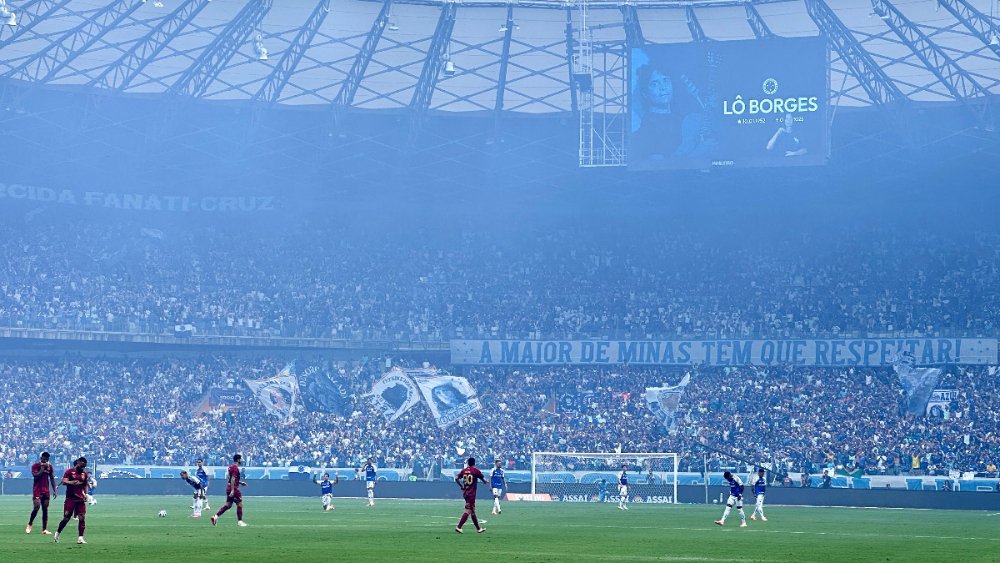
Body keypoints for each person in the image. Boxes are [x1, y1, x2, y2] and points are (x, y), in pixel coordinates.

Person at [630, 58, 713, 165]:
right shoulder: (647, 131)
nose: (663, 87)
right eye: (655, 84)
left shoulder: (683, 118)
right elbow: (660, 167)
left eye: (665, 80)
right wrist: (699, 152)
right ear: (645, 94)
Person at [54, 456, 89, 544]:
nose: (82, 468)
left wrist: (86, 494)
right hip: (70, 499)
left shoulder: (84, 474)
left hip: (80, 499)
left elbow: (85, 485)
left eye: (84, 466)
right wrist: (71, 482)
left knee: (82, 517)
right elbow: (64, 481)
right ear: (78, 463)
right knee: (66, 518)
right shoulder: (69, 472)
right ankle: (57, 533)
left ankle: (80, 538)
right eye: (81, 466)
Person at [211, 454, 248, 527]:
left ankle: (215, 517)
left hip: (229, 487)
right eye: (241, 459)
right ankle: (240, 522)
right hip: (233, 488)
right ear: (238, 460)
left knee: (228, 505)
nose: (242, 460)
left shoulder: (230, 467)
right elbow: (232, 479)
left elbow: (229, 478)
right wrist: (232, 490)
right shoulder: (235, 468)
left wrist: (240, 482)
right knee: (239, 504)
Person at [26, 451, 57, 535]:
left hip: (46, 491)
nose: (46, 460)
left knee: (45, 509)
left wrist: (54, 489)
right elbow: (36, 476)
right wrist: (43, 468)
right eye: (44, 458)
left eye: (47, 458)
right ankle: (30, 524)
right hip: (37, 490)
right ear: (41, 458)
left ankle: (44, 529)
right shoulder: (35, 466)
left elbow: (52, 478)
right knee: (36, 507)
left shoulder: (50, 467)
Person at [454, 457, 487, 534]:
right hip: (471, 494)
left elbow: (456, 478)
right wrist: (487, 481)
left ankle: (479, 529)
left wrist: (461, 486)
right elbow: (484, 481)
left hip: (466, 492)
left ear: (468, 463)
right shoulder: (476, 471)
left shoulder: (464, 471)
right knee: (468, 510)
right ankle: (459, 527)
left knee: (472, 511)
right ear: (474, 463)